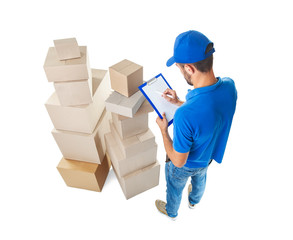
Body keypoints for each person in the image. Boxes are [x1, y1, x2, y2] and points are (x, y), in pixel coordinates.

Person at [155, 30, 237, 220]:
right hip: (207, 157)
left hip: (185, 165)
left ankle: (172, 212)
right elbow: (207, 114)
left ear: (190, 68)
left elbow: (178, 160)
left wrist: (163, 131)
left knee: (175, 186)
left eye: (179, 67)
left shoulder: (185, 116)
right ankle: (194, 201)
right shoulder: (230, 87)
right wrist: (179, 103)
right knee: (200, 179)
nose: (180, 70)